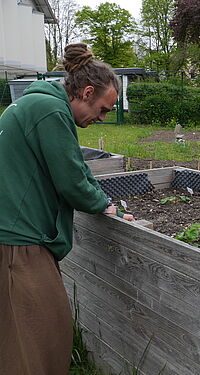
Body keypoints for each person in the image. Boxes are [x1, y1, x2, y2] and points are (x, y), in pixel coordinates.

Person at [0, 43, 134, 375]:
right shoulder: (50, 111)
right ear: (87, 92)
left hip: (13, 233)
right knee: (42, 335)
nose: (102, 118)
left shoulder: (36, 103)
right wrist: (105, 206)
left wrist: (104, 202)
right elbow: (72, 181)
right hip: (18, 241)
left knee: (18, 333)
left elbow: (73, 164)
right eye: (103, 109)